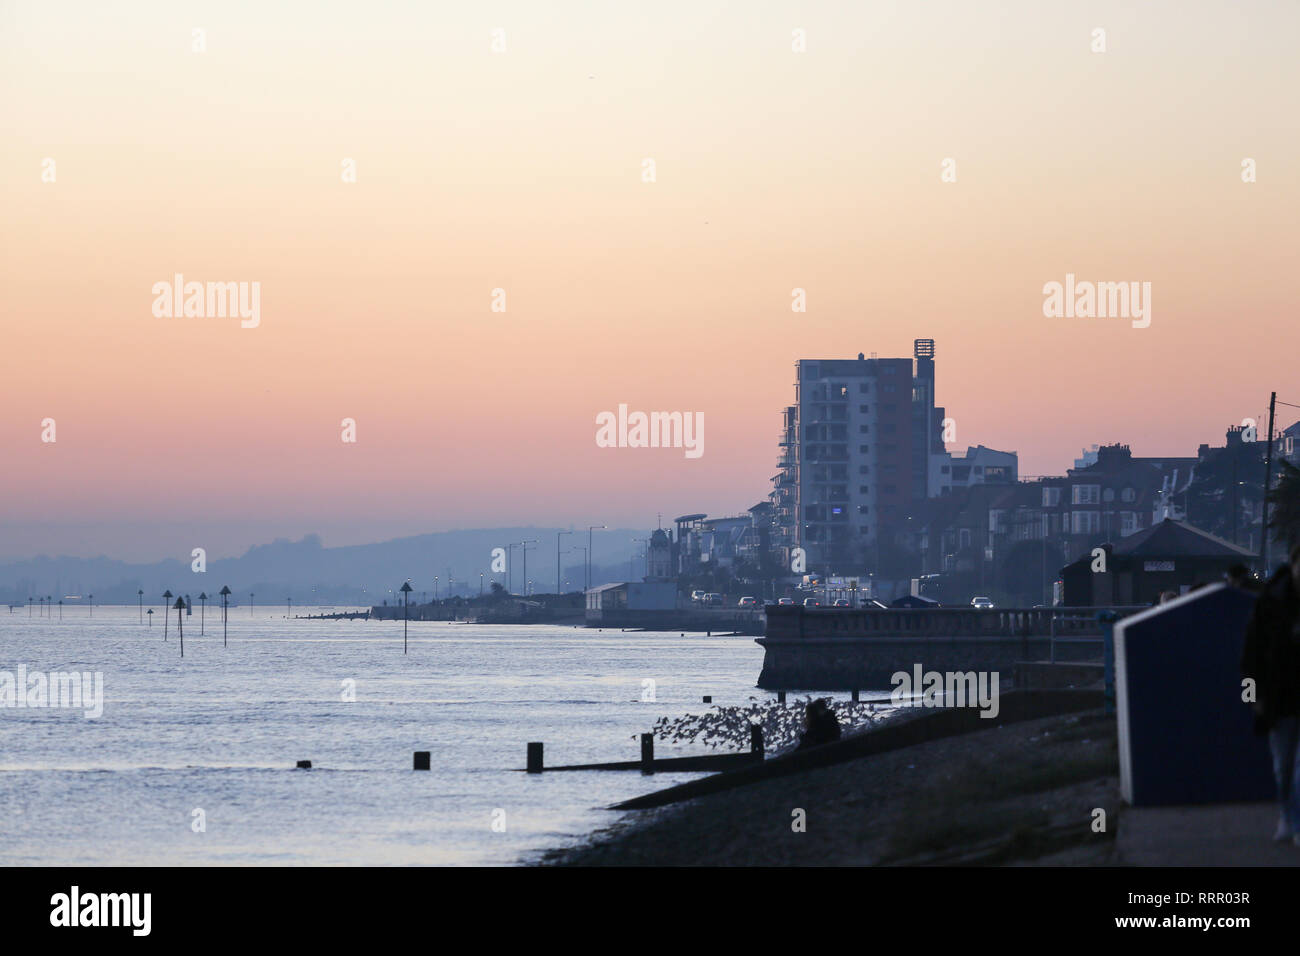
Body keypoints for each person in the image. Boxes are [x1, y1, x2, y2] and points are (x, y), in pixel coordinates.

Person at [1241, 542, 1300, 844]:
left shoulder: (1271, 600)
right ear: (1293, 564)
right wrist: (1255, 697)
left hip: (1281, 696)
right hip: (1281, 698)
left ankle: (1294, 822)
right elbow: (1253, 654)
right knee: (1284, 766)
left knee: (1293, 767)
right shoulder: (1271, 603)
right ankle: (1288, 818)